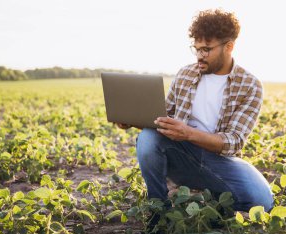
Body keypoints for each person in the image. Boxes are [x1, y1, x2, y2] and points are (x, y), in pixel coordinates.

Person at [117, 9, 274, 212]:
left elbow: (234, 141)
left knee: (261, 201)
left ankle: (208, 200)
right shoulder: (185, 74)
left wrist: (188, 133)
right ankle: (158, 209)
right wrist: (133, 120)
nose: (200, 55)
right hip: (181, 154)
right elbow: (164, 120)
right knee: (147, 138)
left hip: (220, 161)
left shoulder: (250, 85)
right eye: (196, 48)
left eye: (206, 49)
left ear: (229, 46)